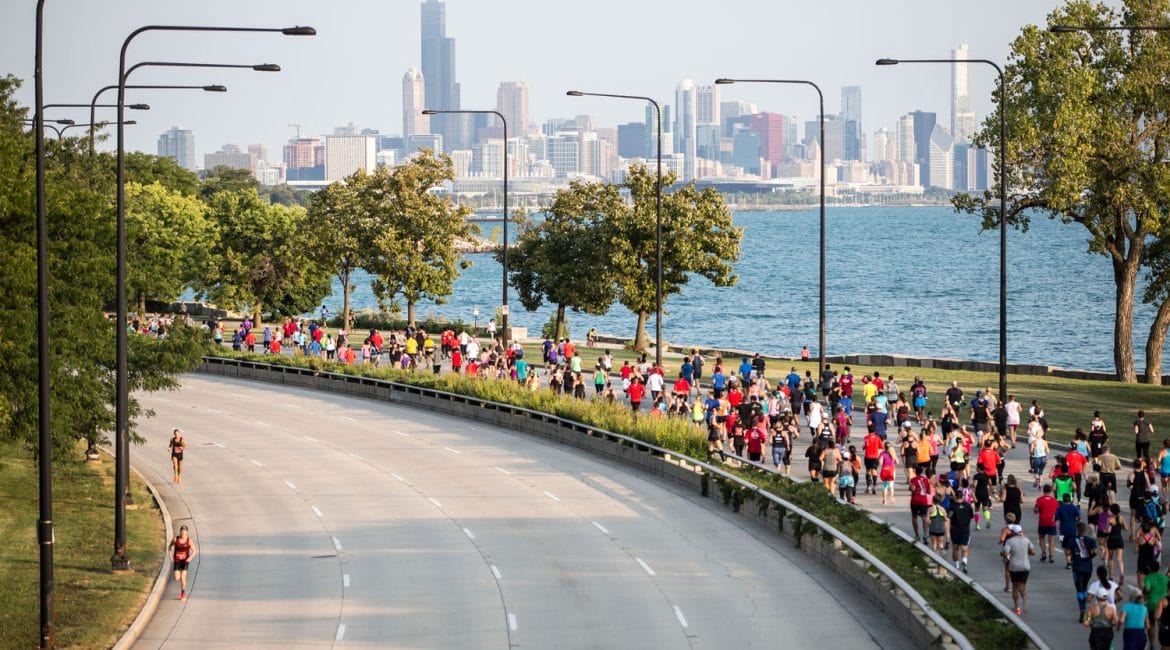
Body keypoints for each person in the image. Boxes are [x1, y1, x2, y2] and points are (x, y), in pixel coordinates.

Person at [1002, 521, 1037, 615]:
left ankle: (1017, 607)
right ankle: (1024, 598)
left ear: (1013, 532)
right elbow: (1033, 552)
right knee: (1023, 585)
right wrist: (1027, 552)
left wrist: (1004, 555)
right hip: (1025, 566)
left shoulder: (1010, 541)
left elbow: (1006, 553)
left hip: (1014, 566)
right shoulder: (1026, 540)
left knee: (1014, 586)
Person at [1071, 523, 1100, 618]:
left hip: (1077, 568)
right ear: (1085, 530)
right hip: (1088, 568)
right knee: (1084, 587)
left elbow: (1067, 552)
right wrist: (1091, 556)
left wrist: (1072, 557)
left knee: (1079, 589)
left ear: (1077, 529)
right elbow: (1095, 552)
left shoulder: (1072, 540)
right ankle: (1084, 605)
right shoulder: (1090, 540)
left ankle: (1082, 608)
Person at [167, 524, 197, 600]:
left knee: (183, 578)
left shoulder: (189, 541)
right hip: (177, 561)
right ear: (180, 532)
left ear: (187, 532)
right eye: (182, 531)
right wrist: (170, 557)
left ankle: (183, 593)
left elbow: (194, 551)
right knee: (177, 578)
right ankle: (179, 575)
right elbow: (169, 548)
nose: (183, 532)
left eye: (184, 531)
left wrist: (190, 558)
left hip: (185, 561)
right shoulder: (175, 539)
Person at [949, 489, 975, 572]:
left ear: (955, 496)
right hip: (965, 529)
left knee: (955, 548)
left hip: (954, 529)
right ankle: (964, 562)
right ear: (963, 496)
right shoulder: (968, 505)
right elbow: (972, 516)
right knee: (964, 548)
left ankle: (956, 566)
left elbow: (949, 516)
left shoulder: (952, 506)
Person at [1035, 483, 1059, 563]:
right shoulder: (1055, 501)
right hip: (1052, 522)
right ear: (1051, 491)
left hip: (1042, 522)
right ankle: (1051, 556)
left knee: (1041, 538)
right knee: (1051, 540)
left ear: (1043, 490)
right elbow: (1057, 513)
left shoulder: (1039, 500)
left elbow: (1036, 511)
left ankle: (1044, 553)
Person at [909, 466, 933, 543]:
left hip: (915, 500)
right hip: (923, 501)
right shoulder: (926, 480)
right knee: (924, 518)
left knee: (914, 517)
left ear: (915, 472)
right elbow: (929, 492)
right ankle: (925, 535)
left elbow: (912, 488)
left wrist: (911, 488)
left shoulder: (913, 479)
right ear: (922, 471)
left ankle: (916, 535)